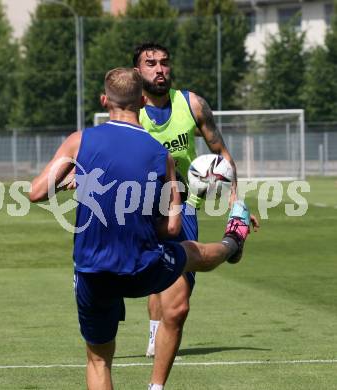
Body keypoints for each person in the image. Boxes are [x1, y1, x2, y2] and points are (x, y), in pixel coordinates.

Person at [29, 67, 254, 390]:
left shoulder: (80, 141)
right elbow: (173, 226)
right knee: (193, 253)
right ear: (142, 100)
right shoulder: (161, 155)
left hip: (94, 269)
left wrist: (70, 179)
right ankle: (233, 240)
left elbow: (35, 193)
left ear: (104, 100)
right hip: (142, 265)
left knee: (99, 360)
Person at [133, 42, 252, 366]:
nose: (160, 69)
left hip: (183, 202)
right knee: (151, 273)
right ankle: (156, 336)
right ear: (138, 71)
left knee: (180, 275)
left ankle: (163, 333)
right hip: (142, 203)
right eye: (151, 63)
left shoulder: (192, 103)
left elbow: (223, 154)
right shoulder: (132, 111)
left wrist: (234, 202)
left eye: (164, 63)